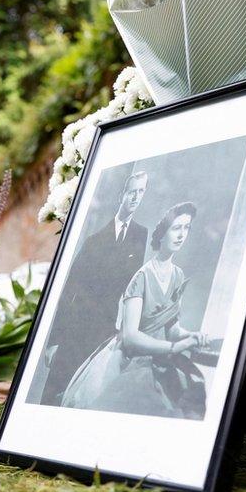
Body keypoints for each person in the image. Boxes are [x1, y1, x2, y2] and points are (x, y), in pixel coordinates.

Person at [61, 202, 208, 420]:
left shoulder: (177, 275)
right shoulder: (142, 276)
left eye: (186, 228)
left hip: (160, 357)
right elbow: (129, 337)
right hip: (130, 361)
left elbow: (172, 327)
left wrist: (189, 336)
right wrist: (174, 347)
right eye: (176, 228)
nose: (182, 235)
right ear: (162, 233)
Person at [39, 171, 150, 405]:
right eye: (132, 192)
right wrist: (54, 340)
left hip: (108, 330)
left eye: (141, 192)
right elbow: (68, 290)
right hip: (77, 327)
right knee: (56, 392)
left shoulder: (141, 235)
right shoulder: (95, 240)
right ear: (122, 195)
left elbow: (133, 288)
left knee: (90, 396)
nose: (135, 198)